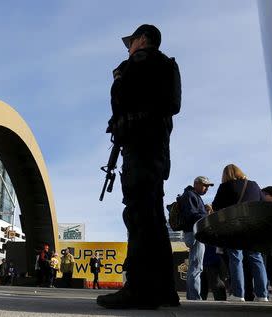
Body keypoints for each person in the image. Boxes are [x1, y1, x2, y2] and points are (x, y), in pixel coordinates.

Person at [97, 24, 181, 309]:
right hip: (158, 148)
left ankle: (139, 289)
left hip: (140, 147)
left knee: (139, 216)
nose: (128, 48)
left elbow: (120, 101)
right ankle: (165, 290)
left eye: (131, 42)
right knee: (154, 217)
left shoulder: (137, 64)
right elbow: (170, 106)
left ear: (143, 39)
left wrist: (120, 78)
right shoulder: (168, 67)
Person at [212, 164, 269, 302]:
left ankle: (238, 294)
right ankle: (262, 295)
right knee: (257, 258)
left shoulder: (225, 187)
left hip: (234, 227)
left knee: (235, 258)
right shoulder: (254, 185)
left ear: (226, 175)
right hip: (253, 227)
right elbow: (263, 203)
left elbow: (216, 206)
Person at [181, 176, 214, 300]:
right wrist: (206, 213)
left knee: (195, 266)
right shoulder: (190, 195)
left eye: (208, 187)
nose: (206, 189)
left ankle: (193, 295)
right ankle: (194, 296)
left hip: (193, 233)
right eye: (205, 185)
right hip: (194, 233)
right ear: (196, 183)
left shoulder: (192, 195)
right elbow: (192, 215)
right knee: (196, 267)